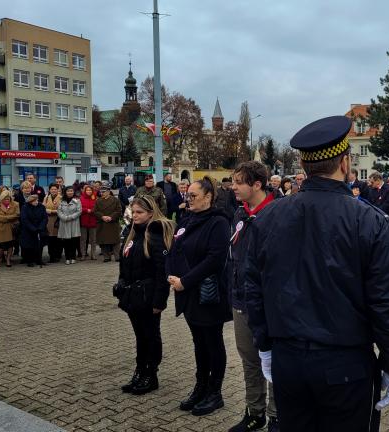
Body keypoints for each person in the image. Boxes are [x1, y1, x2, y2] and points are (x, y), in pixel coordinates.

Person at [244, 116, 389, 432]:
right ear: (346, 162)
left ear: (303, 164)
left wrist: (265, 344)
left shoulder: (269, 217)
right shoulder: (369, 220)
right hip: (345, 366)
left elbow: (252, 288)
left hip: (289, 361)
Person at [166, 176, 231, 417]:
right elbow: (174, 248)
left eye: (193, 196)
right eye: (187, 195)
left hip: (207, 293)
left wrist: (185, 281)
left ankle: (215, 392)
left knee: (212, 342)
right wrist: (170, 275)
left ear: (209, 197)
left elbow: (214, 259)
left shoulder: (218, 222)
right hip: (187, 292)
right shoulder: (187, 218)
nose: (188, 199)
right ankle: (200, 386)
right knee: (198, 343)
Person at [226, 162, 279, 432]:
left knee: (273, 360)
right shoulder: (238, 213)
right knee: (249, 360)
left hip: (269, 304)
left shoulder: (277, 214)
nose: (232, 186)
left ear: (256, 184)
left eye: (238, 182)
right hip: (241, 300)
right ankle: (254, 412)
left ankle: (276, 416)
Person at [116, 195, 175, 395]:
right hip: (133, 295)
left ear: (151, 213)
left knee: (150, 336)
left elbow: (161, 271)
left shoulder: (155, 234)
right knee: (140, 336)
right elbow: (124, 262)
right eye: (133, 212)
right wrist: (122, 286)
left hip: (148, 296)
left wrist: (160, 301)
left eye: (140, 212)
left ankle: (151, 373)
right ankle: (140, 370)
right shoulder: (132, 234)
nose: (135, 216)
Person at [0, 189, 20, 268]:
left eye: (8, 198)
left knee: (10, 245)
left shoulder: (15, 204)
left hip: (11, 227)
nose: (7, 199)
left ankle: (8, 260)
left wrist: (5, 218)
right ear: (1, 198)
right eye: (5, 198)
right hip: (0, 228)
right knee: (0, 246)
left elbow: (17, 215)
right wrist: (8, 218)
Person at [369, 172, 389, 240]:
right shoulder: (372, 190)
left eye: (372, 182)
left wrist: (377, 211)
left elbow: (388, 203)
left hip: (387, 218)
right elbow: (371, 203)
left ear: (378, 180)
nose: (371, 184)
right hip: (375, 219)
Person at [95, 187, 123, 262]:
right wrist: (102, 216)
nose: (102, 193)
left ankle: (117, 256)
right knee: (104, 241)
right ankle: (106, 257)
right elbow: (95, 211)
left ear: (108, 192)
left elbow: (119, 210)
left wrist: (111, 217)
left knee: (115, 241)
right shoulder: (98, 201)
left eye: (103, 192)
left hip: (113, 223)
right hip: (102, 223)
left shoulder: (115, 200)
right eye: (101, 192)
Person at [20, 195, 47, 267]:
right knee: (29, 246)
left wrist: (41, 227)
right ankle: (30, 260)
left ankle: (39, 260)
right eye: (34, 201)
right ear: (30, 201)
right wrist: (33, 228)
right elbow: (24, 219)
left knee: (39, 245)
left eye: (37, 200)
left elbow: (45, 218)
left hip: (40, 229)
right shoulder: (25, 207)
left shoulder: (42, 207)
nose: (36, 202)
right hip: (29, 230)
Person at [57, 187, 82, 265]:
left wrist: (70, 217)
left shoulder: (77, 201)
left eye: (71, 191)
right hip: (64, 223)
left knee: (74, 242)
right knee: (66, 242)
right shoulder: (61, 201)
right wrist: (64, 217)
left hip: (74, 223)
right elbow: (59, 211)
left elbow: (79, 211)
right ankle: (67, 258)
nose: (70, 192)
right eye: (68, 191)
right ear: (65, 192)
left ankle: (73, 257)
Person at [43, 184, 62, 263]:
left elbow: (62, 209)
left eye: (55, 189)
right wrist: (47, 210)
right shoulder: (46, 197)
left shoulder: (61, 198)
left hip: (58, 220)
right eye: (52, 189)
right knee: (50, 240)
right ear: (49, 190)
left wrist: (51, 211)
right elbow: (43, 207)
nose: (53, 190)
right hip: (49, 221)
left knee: (58, 240)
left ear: (58, 190)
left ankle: (58, 256)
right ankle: (51, 256)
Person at [79, 184, 98, 260]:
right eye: (87, 190)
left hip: (93, 221)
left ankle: (93, 254)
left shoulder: (95, 198)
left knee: (93, 239)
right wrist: (87, 210)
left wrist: (92, 210)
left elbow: (97, 207)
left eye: (90, 190)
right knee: (83, 239)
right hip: (83, 221)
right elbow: (79, 208)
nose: (89, 191)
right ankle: (83, 254)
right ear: (85, 191)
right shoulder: (81, 198)